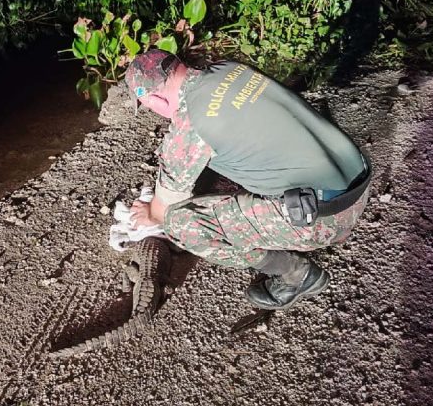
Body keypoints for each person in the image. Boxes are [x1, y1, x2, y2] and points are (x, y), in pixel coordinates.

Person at [124, 49, 371, 310]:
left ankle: (297, 275)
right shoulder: (229, 68)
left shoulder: (190, 125)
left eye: (148, 106)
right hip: (357, 178)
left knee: (179, 223)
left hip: (330, 216)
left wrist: (148, 213)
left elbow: (162, 210)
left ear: (157, 99)